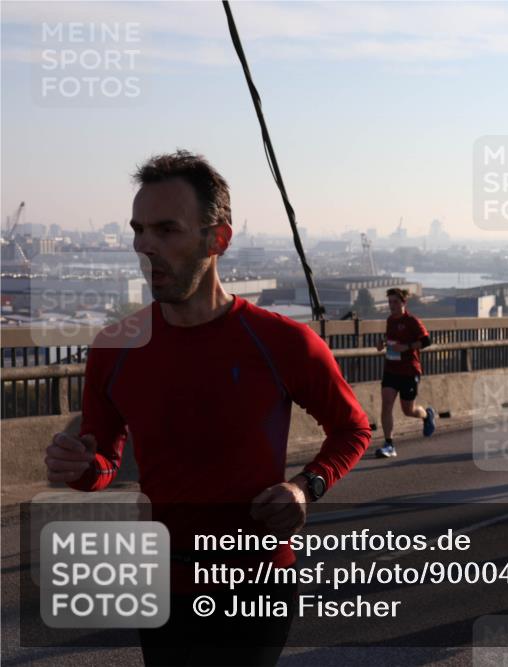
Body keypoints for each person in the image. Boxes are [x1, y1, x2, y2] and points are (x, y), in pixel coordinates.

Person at [43, 151, 372, 665]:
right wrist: (80, 467)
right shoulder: (114, 348)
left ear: (218, 239)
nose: (144, 246)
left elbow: (352, 428)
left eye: (166, 229)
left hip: (257, 582)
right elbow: (103, 464)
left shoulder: (283, 342)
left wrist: (305, 487)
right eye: (138, 230)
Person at [374, 288, 436, 458]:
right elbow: (391, 339)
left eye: (395, 302)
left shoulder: (412, 321)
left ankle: (426, 415)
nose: (392, 305)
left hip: (409, 370)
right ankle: (389, 444)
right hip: (391, 369)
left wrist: (406, 347)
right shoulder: (390, 320)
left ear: (403, 303)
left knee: (408, 410)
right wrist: (382, 343)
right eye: (390, 302)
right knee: (386, 404)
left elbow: (427, 340)